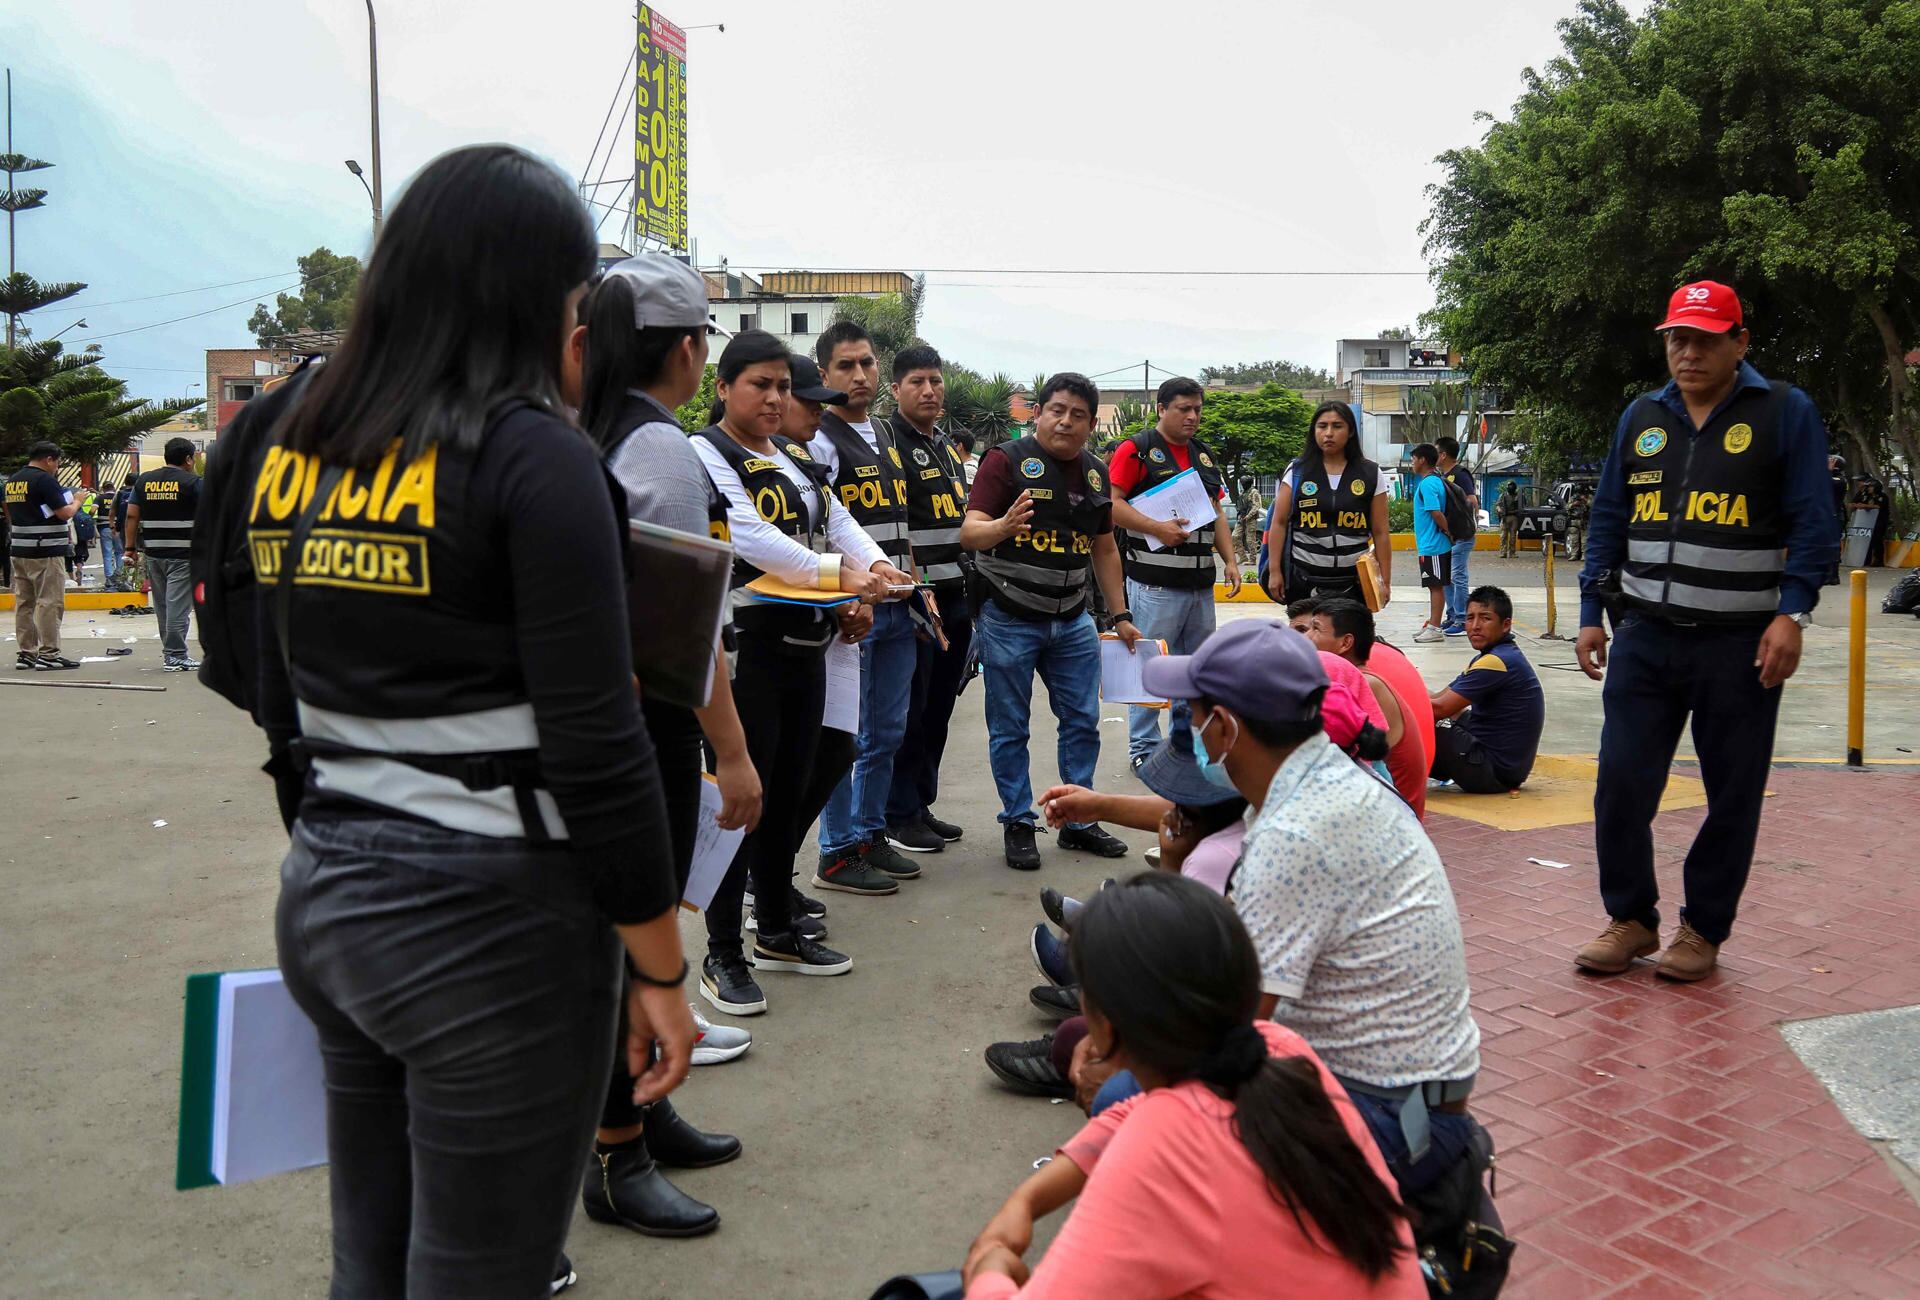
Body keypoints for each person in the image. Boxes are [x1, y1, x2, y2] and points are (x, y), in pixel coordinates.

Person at [238, 144, 695, 1298]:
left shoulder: (301, 446)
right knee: (478, 1274)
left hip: (330, 892)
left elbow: (266, 680)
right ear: (548, 295)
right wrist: (659, 965)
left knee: (373, 1262)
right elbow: (602, 742)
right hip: (488, 928)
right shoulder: (531, 453)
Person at [962, 875, 1425, 1300]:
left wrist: (989, 1265)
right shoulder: (1280, 1048)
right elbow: (1135, 1113)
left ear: (1102, 1020)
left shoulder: (1162, 1145)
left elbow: (1150, 1131)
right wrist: (1027, 1200)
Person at [1143, 620, 1482, 1197]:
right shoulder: (1314, 779)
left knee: (1134, 1103)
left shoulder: (1297, 832)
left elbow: (1233, 1031)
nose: (1192, 731)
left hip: (1391, 1119)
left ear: (1224, 728)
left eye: (1195, 717)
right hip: (1409, 1092)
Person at [571, 255, 762, 1239]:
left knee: (619, 943)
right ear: (690, 351)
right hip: (639, 728)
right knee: (632, 945)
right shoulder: (660, 451)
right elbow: (687, 638)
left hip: (585, 723)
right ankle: (616, 1151)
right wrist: (732, 754)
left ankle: (641, 1106)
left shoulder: (581, 432)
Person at [1575, 280, 1840, 982]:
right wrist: (1589, 613)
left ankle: (1702, 929)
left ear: (1739, 342)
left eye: (1703, 338)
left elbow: (1814, 522)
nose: (1686, 352)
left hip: (1740, 644)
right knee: (1621, 784)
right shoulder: (1641, 416)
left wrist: (1793, 613)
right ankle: (1630, 918)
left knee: (1734, 792)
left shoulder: (1784, 412)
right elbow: (1608, 518)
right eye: (1676, 338)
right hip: (1645, 638)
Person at [689, 330, 913, 1013]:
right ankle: (722, 951)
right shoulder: (706, 453)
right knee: (742, 803)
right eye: (760, 384)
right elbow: (752, 536)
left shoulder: (792, 454)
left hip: (807, 642)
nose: (775, 397)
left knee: (788, 793)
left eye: (783, 386)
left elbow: (837, 519)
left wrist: (873, 566)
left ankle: (779, 932)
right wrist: (838, 575)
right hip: (748, 647)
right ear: (724, 387)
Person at [962, 373, 1142, 870]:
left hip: (1073, 621)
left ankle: (1078, 819)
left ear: (1090, 423)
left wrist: (1121, 614)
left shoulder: (1095, 472)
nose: (1065, 420)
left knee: (1083, 722)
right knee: (1009, 727)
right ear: (1037, 413)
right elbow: (970, 532)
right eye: (1056, 410)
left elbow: (1105, 549)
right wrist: (1003, 526)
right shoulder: (1005, 461)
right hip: (1008, 617)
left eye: (1078, 414)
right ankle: (1019, 821)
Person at [809, 321, 927, 885]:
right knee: (844, 735)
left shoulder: (883, 430)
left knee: (886, 730)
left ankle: (871, 832)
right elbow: (823, 526)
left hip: (899, 603)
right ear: (824, 374)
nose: (860, 375)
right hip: (851, 609)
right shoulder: (818, 437)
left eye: (868, 363)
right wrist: (846, 594)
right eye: (846, 366)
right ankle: (836, 848)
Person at [1108, 376, 1239, 770]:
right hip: (1155, 583)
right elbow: (1110, 505)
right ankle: (1144, 748)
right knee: (1151, 666)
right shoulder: (1137, 450)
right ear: (1161, 409)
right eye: (1183, 408)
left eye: (1197, 409)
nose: (1192, 416)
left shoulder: (1203, 454)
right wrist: (1156, 528)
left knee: (1193, 670)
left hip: (1199, 584)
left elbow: (1216, 512)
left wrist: (1230, 560)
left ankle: (1184, 743)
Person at [881, 345, 974, 853]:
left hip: (958, 597)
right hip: (919, 602)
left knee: (939, 707)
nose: (929, 390)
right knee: (909, 712)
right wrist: (917, 593)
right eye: (917, 381)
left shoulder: (943, 444)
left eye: (936, 381)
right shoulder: (888, 441)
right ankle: (898, 814)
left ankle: (921, 803)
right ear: (895, 389)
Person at [1303, 597, 1432, 819]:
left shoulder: (1363, 685)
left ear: (1345, 643)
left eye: (1315, 629)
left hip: (1392, 815)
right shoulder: (1363, 677)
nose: (1305, 638)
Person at [1261, 401, 1390, 607]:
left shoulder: (1371, 473)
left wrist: (1384, 581)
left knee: (1348, 638)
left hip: (1354, 583)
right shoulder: (1297, 471)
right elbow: (1279, 523)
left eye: (1337, 426)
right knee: (1305, 637)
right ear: (1314, 431)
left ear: (1350, 432)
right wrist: (1275, 571)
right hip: (1303, 579)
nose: (1328, 433)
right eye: (1322, 426)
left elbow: (1381, 531)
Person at [1428, 586, 1544, 793]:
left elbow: (1439, 708)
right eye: (1470, 618)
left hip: (1494, 772)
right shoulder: (1494, 656)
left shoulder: (1497, 661)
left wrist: (1385, 706)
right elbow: (1440, 697)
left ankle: (1392, 775)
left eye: (1485, 618)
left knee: (1433, 724)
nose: (1475, 626)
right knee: (1443, 708)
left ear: (1506, 625)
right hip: (1506, 768)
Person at [126, 437, 203, 671]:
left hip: (154, 553)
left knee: (163, 606)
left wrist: (130, 549)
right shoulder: (194, 483)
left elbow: (131, 515)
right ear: (188, 459)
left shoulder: (144, 481)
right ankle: (176, 655)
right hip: (184, 554)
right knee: (177, 607)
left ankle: (170, 652)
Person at [6, 441, 82, 671]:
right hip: (45, 551)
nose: (57, 468)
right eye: (57, 462)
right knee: (50, 602)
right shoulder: (45, 480)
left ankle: (27, 653)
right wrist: (78, 500)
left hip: (20, 550)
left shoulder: (14, 480)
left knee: (24, 603)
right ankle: (49, 654)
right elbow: (64, 512)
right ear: (49, 459)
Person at [1406, 443, 1452, 642]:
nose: (1412, 463)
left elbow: (1435, 512)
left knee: (1435, 586)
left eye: (1413, 459)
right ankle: (1432, 623)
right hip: (1431, 544)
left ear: (1422, 460)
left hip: (1434, 545)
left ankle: (1435, 628)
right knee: (1434, 585)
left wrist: (1448, 532)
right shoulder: (1432, 481)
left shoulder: (1428, 483)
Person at [1435, 435, 1476, 636]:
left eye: (1436, 451)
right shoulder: (1442, 477)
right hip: (1449, 536)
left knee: (1458, 575)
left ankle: (1461, 618)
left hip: (1462, 535)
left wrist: (1462, 523)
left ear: (1443, 455)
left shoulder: (1460, 474)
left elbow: (1472, 501)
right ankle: (1452, 615)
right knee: (1447, 577)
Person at [95, 479, 123, 585]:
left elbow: (93, 510)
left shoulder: (99, 498)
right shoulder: (118, 497)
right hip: (117, 527)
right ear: (113, 488)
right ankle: (120, 575)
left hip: (104, 528)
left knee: (107, 553)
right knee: (119, 552)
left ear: (103, 488)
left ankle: (109, 578)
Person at [1233, 475, 1263, 561]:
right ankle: (1243, 557)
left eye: (1243, 483)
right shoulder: (1243, 493)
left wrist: (1248, 516)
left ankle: (1252, 559)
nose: (1242, 485)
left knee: (1250, 540)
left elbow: (1257, 506)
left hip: (1250, 519)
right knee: (1235, 536)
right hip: (1241, 518)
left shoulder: (1254, 492)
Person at [1495, 479, 1521, 558]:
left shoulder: (1517, 496)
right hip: (1505, 517)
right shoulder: (1503, 495)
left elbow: (1520, 506)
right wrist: (1500, 511)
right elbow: (1498, 505)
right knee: (1503, 536)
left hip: (1514, 517)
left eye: (1512, 486)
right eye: (1509, 486)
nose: (1511, 488)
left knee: (1513, 536)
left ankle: (1512, 553)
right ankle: (1503, 552)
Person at [1565, 486, 1591, 560]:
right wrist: (1573, 504)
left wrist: (1585, 500)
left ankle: (1584, 555)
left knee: (1584, 540)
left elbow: (1592, 505)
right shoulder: (1573, 498)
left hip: (1583, 520)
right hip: (1574, 520)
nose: (1579, 494)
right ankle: (1574, 555)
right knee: (1574, 539)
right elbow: (1567, 507)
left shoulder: (1588, 497)